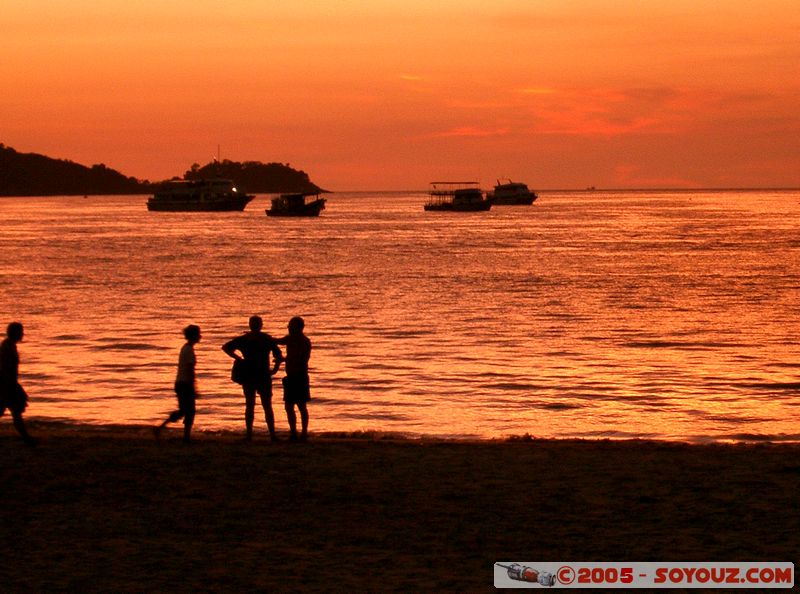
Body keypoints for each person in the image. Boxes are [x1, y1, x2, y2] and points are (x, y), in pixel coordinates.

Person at [223, 315, 283, 441]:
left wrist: (238, 358)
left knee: (250, 404)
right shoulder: (266, 339)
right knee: (266, 405)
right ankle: (272, 434)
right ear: (261, 325)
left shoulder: (245, 339)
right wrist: (275, 369)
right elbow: (278, 355)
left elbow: (226, 347)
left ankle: (249, 434)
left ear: (250, 325)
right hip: (262, 375)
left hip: (250, 375)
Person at [155, 324, 201, 443]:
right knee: (189, 411)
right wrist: (193, 387)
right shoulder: (189, 350)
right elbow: (190, 370)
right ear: (194, 336)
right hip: (185, 384)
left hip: (180, 383)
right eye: (198, 334)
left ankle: (162, 428)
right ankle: (185, 437)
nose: (200, 336)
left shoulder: (185, 348)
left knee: (184, 410)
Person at [276, 316, 312, 442]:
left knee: (301, 406)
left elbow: (302, 359)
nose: (288, 328)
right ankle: (293, 433)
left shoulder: (304, 341)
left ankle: (304, 433)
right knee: (289, 406)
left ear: (298, 327)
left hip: (300, 376)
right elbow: (277, 341)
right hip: (291, 376)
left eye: (291, 326)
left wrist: (284, 359)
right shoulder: (289, 339)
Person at [0, 322, 36, 446]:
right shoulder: (7, 347)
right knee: (13, 410)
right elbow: (5, 368)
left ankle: (26, 437)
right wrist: (11, 386)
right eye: (20, 332)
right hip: (6, 384)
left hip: (8, 383)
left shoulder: (9, 345)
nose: (22, 334)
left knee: (15, 411)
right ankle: (26, 438)